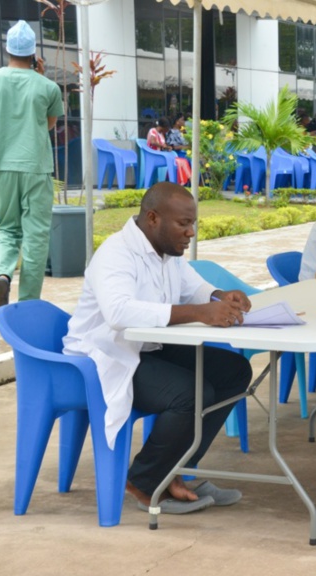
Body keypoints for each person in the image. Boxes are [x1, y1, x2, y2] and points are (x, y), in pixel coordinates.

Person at [63, 182, 252, 514]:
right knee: (190, 394)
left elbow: (192, 286)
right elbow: (119, 312)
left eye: (193, 224)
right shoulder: (116, 253)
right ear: (153, 218)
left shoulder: (167, 251)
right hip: (106, 356)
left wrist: (220, 296)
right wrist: (199, 313)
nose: (191, 232)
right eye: (183, 224)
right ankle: (146, 480)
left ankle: (176, 471)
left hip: (145, 347)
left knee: (233, 371)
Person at [0, 20, 63, 308]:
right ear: (33, 53)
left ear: (7, 49)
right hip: (36, 167)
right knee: (35, 235)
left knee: (8, 229)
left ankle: (2, 275)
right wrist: (41, 77)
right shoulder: (49, 87)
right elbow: (48, 125)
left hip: (3, 167)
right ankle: (29, 302)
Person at [148, 117, 191, 186]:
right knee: (180, 161)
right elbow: (153, 142)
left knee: (183, 161)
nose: (167, 131)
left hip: (162, 155)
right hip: (155, 156)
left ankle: (187, 181)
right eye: (167, 129)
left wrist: (168, 147)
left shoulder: (161, 134)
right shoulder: (153, 131)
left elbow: (164, 145)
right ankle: (184, 182)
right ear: (164, 127)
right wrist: (163, 146)